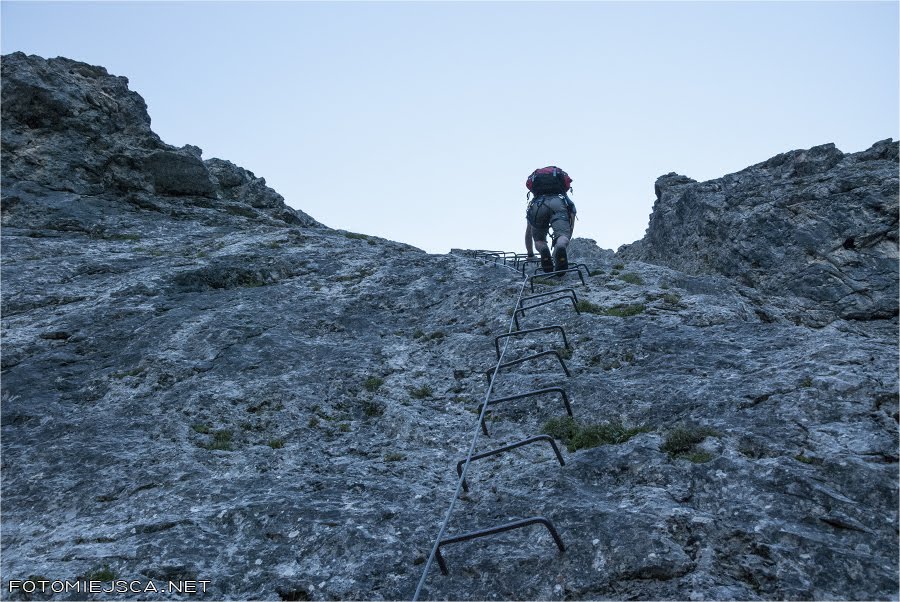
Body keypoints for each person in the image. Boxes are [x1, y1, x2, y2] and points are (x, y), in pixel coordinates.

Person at [524, 166, 576, 273]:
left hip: (538, 205)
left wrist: (530, 255)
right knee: (562, 236)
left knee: (539, 239)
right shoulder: (565, 200)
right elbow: (570, 227)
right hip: (558, 203)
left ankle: (543, 250)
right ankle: (560, 247)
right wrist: (563, 241)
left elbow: (528, 233)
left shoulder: (533, 203)